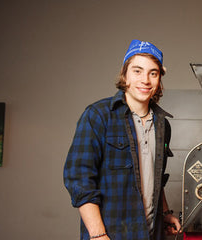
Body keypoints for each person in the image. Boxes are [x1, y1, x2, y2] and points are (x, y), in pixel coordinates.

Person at [64, 40, 181, 240]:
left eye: (153, 73)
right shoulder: (98, 116)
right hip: (111, 235)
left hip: (152, 234)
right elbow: (79, 179)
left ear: (159, 80)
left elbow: (156, 179)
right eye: (137, 71)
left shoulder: (163, 125)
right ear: (124, 74)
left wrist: (165, 213)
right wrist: (98, 235)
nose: (145, 80)